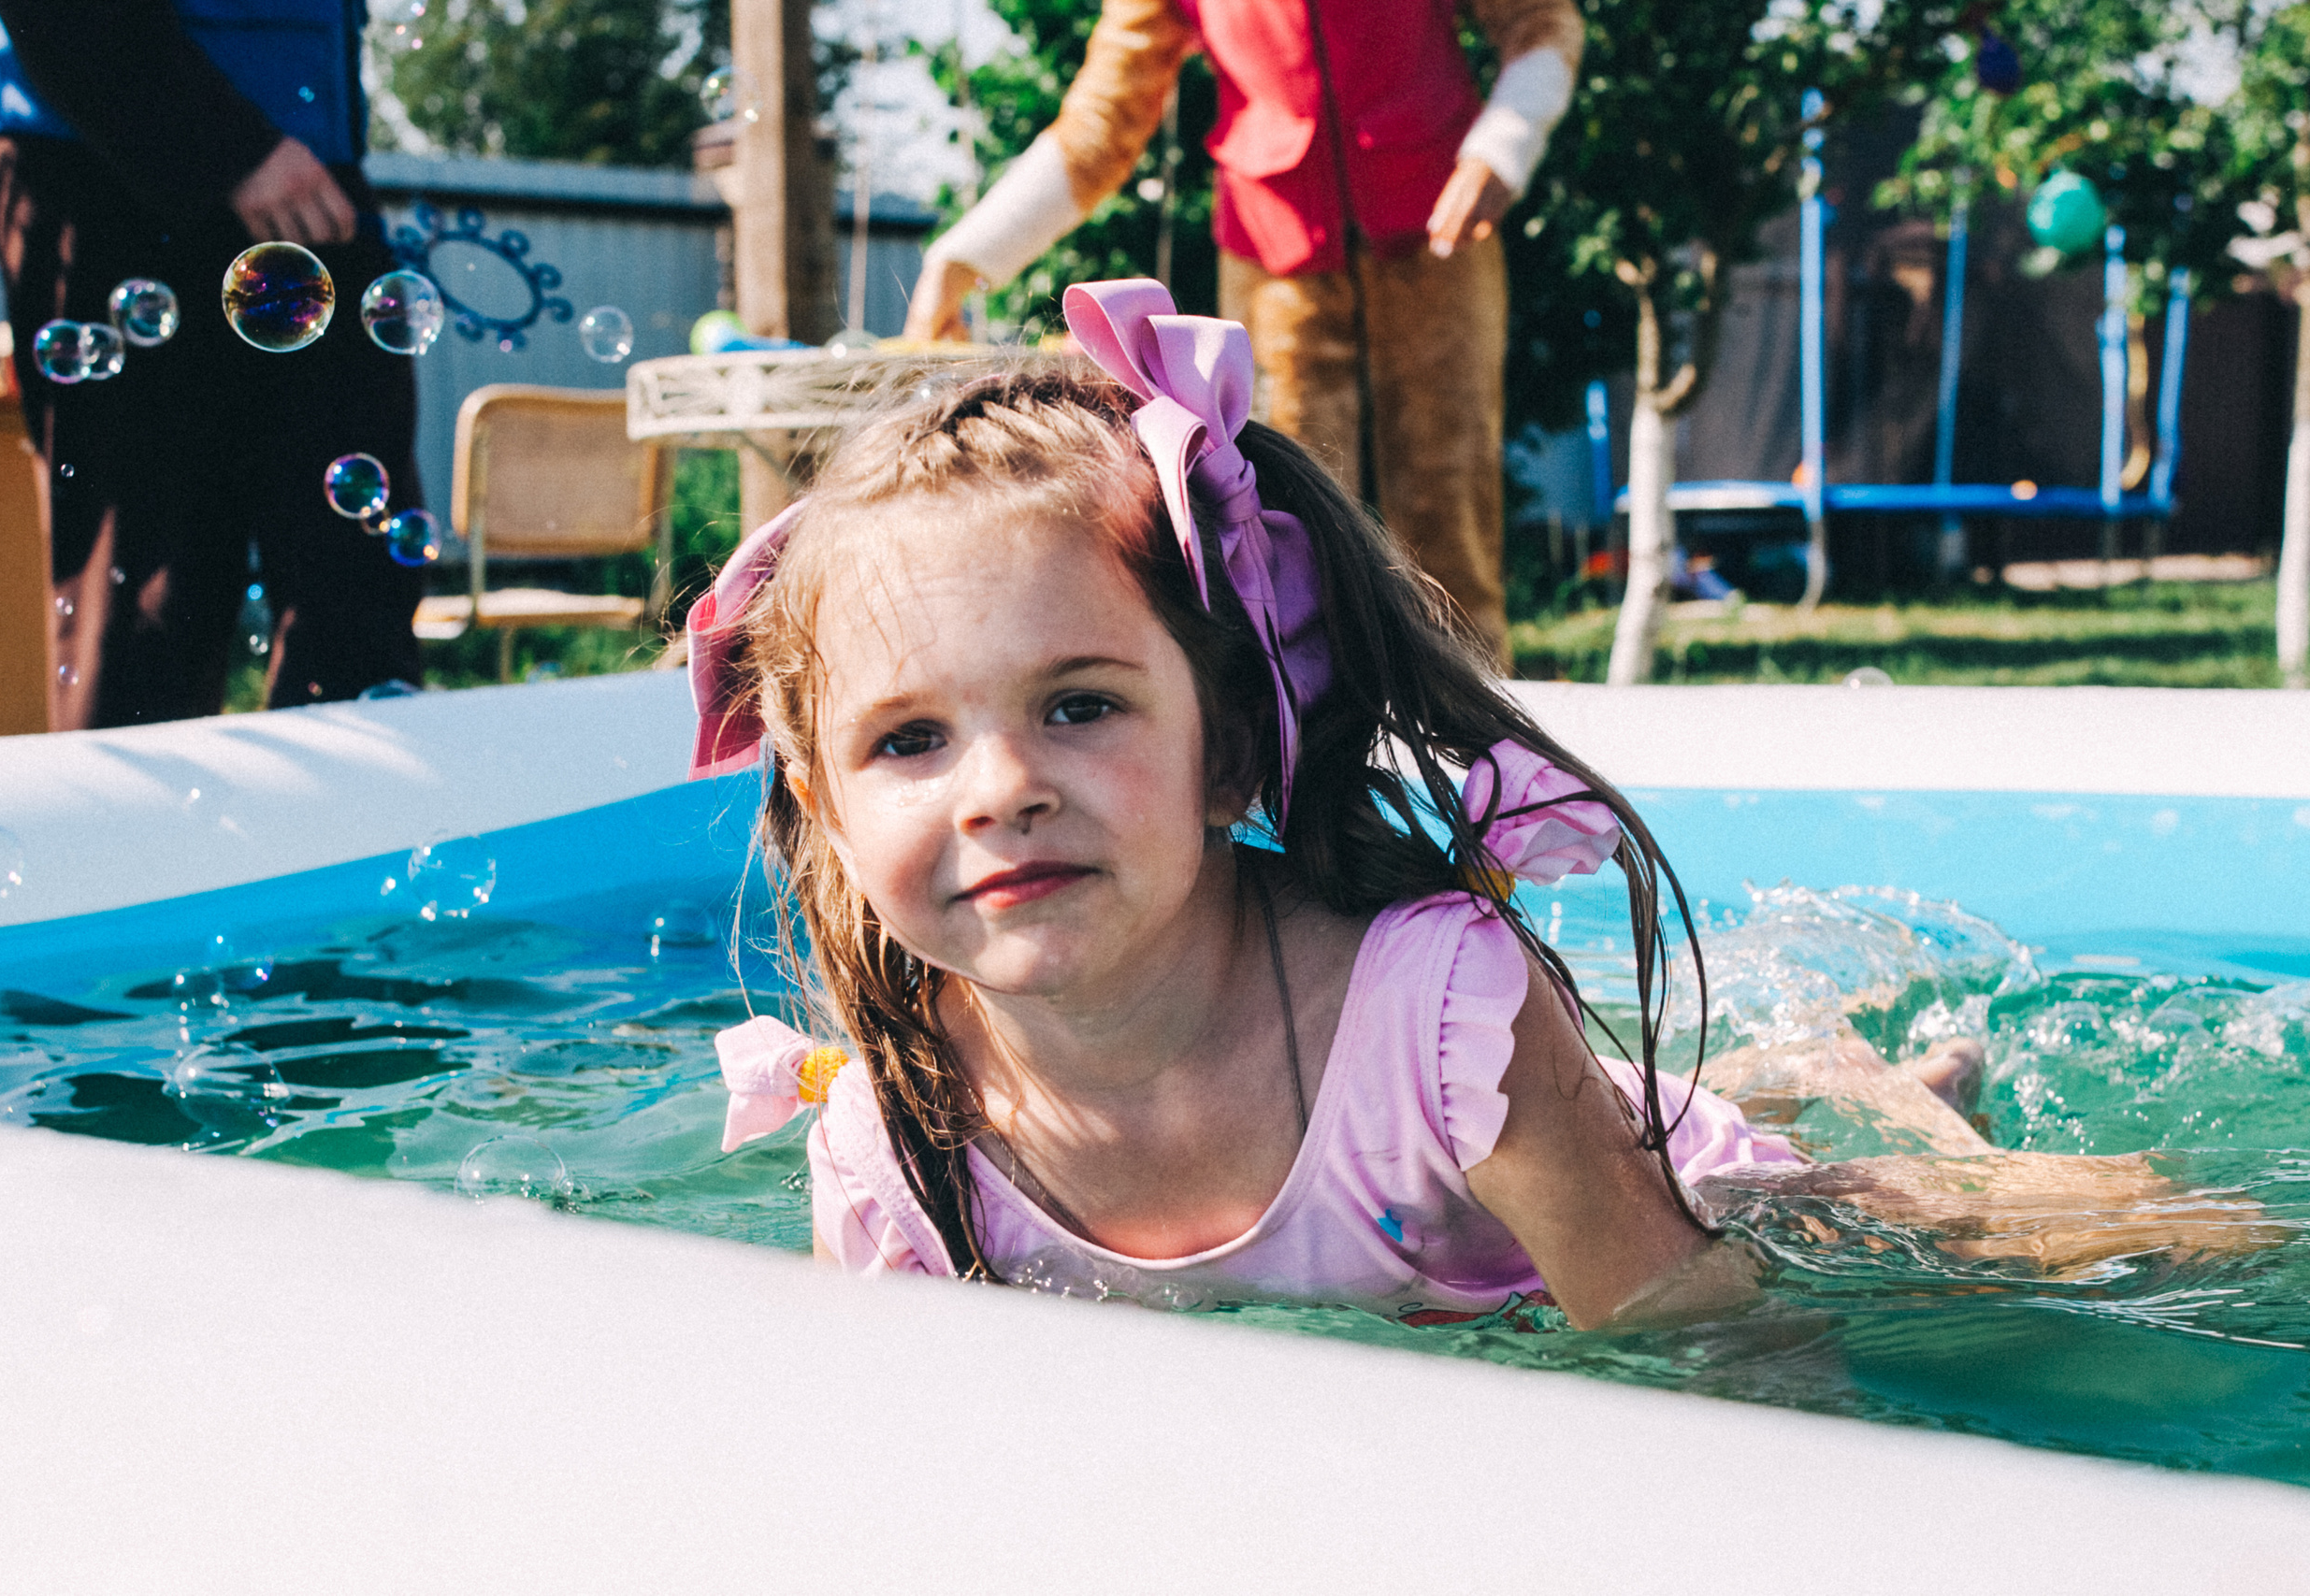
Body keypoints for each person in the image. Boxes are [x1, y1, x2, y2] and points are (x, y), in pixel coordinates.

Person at [694, 281, 2260, 1328]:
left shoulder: (1432, 1014)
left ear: (1233, 746)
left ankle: (1896, 1094)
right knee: (1642, 1108)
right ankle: (1803, 1067)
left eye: (1081, 705)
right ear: (821, 807)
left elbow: (1711, 1349)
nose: (1002, 789)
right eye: (909, 740)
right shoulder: (897, 1142)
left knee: (2131, 1250)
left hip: (1660, 1202)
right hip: (1538, 1138)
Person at [902, 0, 1585, 660]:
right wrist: (962, 260)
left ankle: (1475, 720)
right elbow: (1103, 121)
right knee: (1283, 533)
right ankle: (1300, 728)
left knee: (1452, 523)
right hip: (1271, 257)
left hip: (1441, 239)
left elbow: (1540, 21)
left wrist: (1502, 147)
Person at [0, 0, 426, 726]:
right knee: (147, 595)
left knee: (353, 589)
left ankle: (355, 799)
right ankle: (140, 805)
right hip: (110, 145)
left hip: (312, 160)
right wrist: (228, 145)